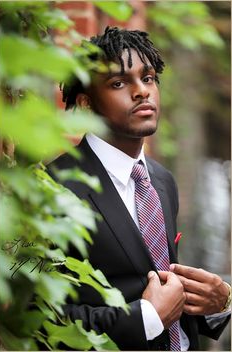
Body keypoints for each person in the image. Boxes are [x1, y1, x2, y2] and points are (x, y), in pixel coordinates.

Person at [48, 27, 231, 350]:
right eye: (118, 83)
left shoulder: (161, 181)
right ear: (87, 103)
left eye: (148, 78)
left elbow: (158, 289)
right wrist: (145, 318)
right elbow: (43, 319)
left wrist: (220, 302)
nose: (141, 91)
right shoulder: (56, 188)